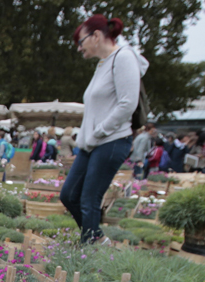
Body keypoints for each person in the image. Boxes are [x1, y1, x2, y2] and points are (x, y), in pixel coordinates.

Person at [59, 14, 147, 244]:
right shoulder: (103, 64)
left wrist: (100, 130)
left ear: (96, 36)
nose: (79, 48)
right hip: (90, 144)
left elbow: (128, 104)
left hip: (112, 141)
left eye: (81, 41)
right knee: (69, 195)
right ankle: (97, 238)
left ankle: (89, 256)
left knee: (89, 199)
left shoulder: (124, 58)